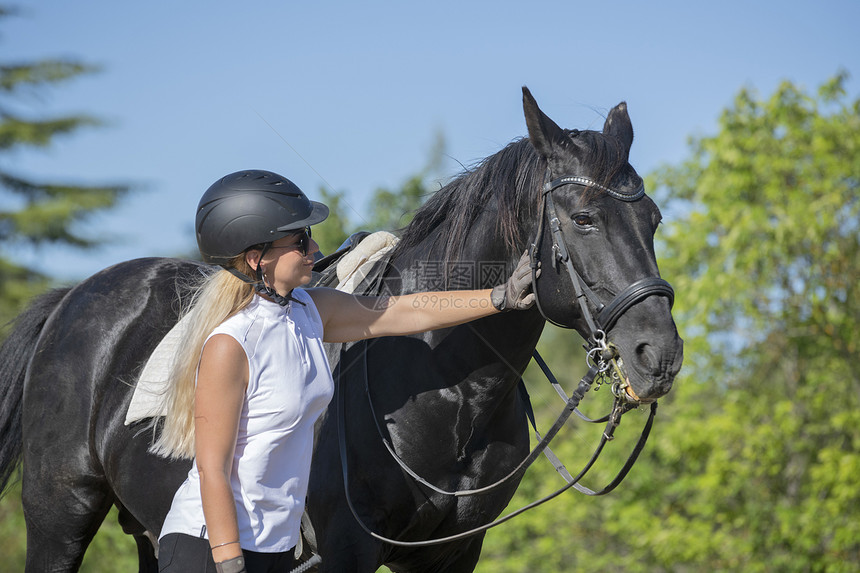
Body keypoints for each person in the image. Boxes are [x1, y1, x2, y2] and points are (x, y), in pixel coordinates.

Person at [153, 169, 536, 573]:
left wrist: (500, 296)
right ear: (256, 258)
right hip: (210, 546)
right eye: (300, 241)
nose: (315, 248)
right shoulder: (230, 345)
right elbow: (213, 468)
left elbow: (406, 309)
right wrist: (230, 562)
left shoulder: (309, 311)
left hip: (275, 548)